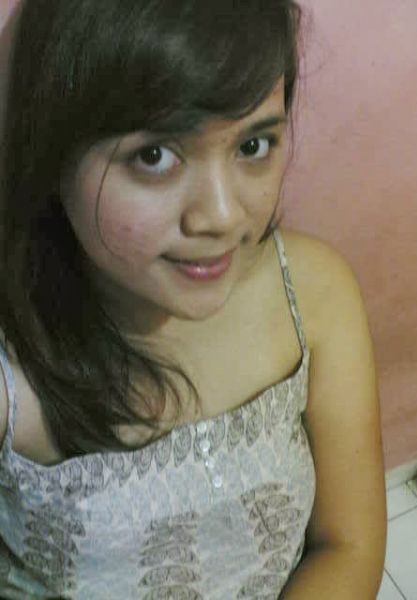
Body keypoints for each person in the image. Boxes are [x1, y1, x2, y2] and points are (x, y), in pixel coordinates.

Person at [0, 1, 387, 598]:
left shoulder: (314, 294)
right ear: (52, 153)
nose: (224, 216)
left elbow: (349, 544)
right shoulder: (13, 377)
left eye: (253, 145)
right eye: (154, 156)